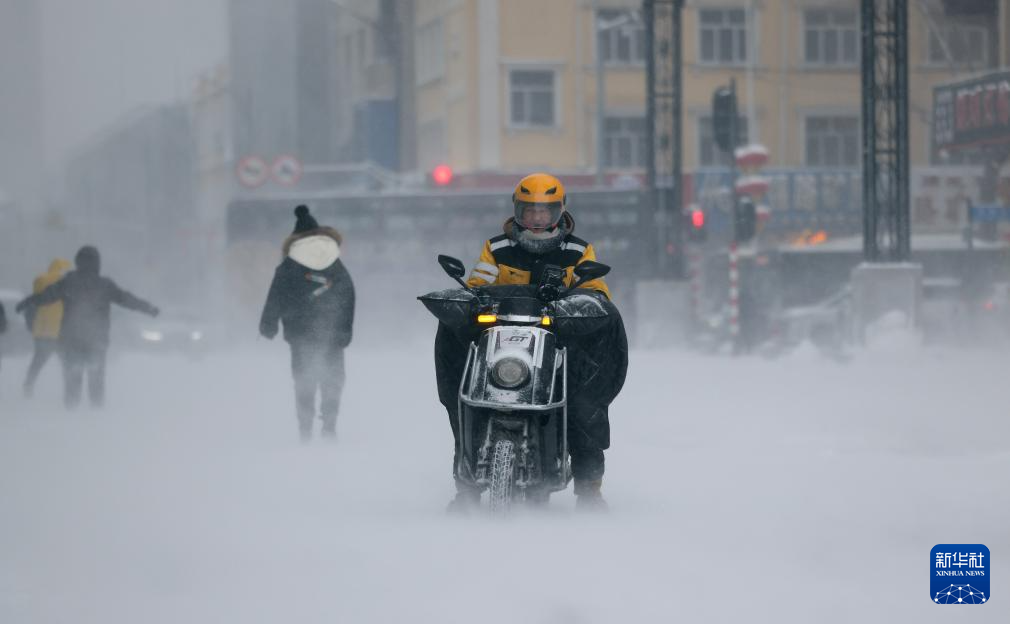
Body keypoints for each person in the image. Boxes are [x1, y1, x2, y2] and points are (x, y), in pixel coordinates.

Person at [436, 173, 627, 512]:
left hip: (562, 342)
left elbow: (597, 292)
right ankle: (465, 488)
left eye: (546, 211)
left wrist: (573, 302)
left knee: (584, 406)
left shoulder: (579, 250)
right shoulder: (496, 248)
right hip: (504, 339)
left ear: (560, 211)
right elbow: (479, 284)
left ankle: (589, 488)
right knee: (465, 398)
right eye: (530, 211)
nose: (538, 219)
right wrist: (473, 299)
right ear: (517, 211)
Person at [15, 246, 159, 409]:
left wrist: (27, 302)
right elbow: (126, 299)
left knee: (72, 380)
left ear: (78, 262)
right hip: (96, 341)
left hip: (70, 340)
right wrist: (148, 308)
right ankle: (95, 417)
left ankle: (72, 414)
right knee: (96, 379)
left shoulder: (69, 281)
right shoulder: (105, 285)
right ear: (98, 263)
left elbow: (47, 296)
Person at [260, 205, 355, 441]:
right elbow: (348, 295)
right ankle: (329, 426)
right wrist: (344, 331)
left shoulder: (289, 265)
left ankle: (305, 430)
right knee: (332, 379)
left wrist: (268, 325)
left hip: (299, 333)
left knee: (304, 380)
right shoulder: (335, 262)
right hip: (332, 335)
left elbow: (276, 295)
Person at [21, 258, 72, 397]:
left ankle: (28, 385)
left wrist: (31, 326)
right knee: (66, 363)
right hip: (60, 333)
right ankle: (70, 393)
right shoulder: (66, 284)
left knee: (38, 361)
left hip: (42, 332)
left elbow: (32, 307)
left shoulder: (40, 282)